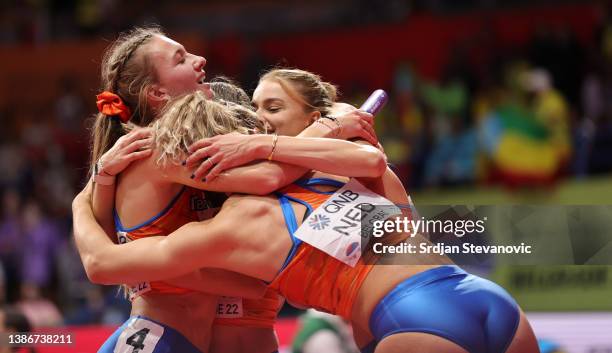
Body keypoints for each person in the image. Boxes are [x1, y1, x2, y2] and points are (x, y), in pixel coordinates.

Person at [74, 77, 539, 353]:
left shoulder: (232, 229)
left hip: (409, 319)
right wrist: (324, 128)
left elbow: (101, 264)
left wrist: (83, 199)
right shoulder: (342, 165)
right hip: (485, 298)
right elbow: (375, 169)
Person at [84, 26, 384, 353]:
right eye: (180, 59)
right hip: (156, 339)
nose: (201, 60)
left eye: (272, 109)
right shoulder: (160, 150)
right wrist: (329, 125)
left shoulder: (181, 162)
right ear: (157, 93)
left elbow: (372, 166)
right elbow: (268, 176)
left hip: (176, 338)